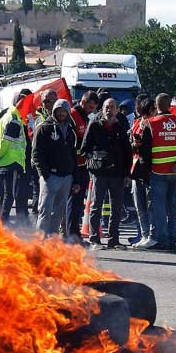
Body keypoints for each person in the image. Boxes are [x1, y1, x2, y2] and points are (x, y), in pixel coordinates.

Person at [139, 93, 176, 252]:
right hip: (175, 173)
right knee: (173, 208)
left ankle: (163, 240)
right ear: (170, 105)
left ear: (156, 106)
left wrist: (146, 171)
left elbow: (145, 152)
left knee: (160, 209)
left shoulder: (151, 123)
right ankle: (173, 239)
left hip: (157, 172)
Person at [81, 98, 133, 249]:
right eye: (106, 107)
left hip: (117, 173)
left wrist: (127, 174)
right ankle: (94, 239)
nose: (109, 110)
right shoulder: (95, 125)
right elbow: (85, 149)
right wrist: (93, 163)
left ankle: (113, 240)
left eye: (112, 107)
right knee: (96, 206)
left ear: (117, 110)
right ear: (102, 109)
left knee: (116, 207)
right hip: (99, 173)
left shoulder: (120, 126)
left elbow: (127, 151)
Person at [32, 99, 78, 236]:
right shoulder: (44, 128)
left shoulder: (71, 130)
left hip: (66, 177)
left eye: (64, 110)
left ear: (68, 112)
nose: (61, 113)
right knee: (45, 211)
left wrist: (75, 179)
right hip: (50, 177)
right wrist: (44, 174)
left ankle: (52, 243)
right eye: (58, 110)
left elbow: (73, 155)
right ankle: (40, 243)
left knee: (58, 212)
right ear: (54, 111)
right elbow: (36, 153)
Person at [65, 91, 100, 242]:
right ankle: (71, 235)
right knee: (73, 202)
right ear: (83, 101)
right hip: (74, 166)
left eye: (93, 108)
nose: (91, 110)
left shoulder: (85, 117)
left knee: (78, 203)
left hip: (83, 165)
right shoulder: (73, 115)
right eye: (89, 106)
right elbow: (74, 142)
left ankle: (73, 234)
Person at [0, 93, 29, 223]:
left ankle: (2, 223)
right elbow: (6, 142)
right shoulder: (14, 119)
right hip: (11, 162)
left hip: (6, 161)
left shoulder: (8, 116)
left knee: (7, 195)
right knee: (9, 195)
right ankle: (2, 224)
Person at [130, 97, 157, 248]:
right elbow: (130, 143)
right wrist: (134, 144)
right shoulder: (136, 123)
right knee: (140, 205)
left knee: (150, 205)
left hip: (150, 169)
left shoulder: (154, 124)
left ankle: (152, 235)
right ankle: (145, 234)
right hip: (136, 169)